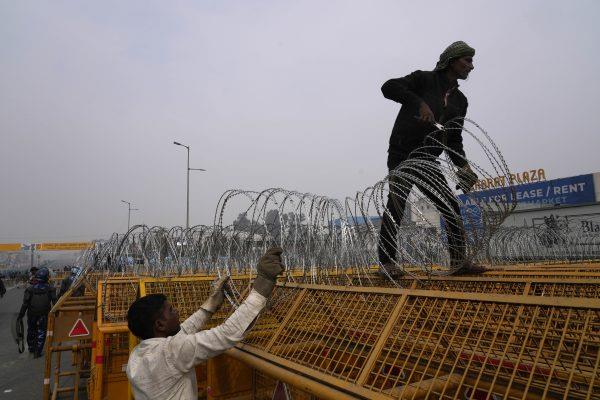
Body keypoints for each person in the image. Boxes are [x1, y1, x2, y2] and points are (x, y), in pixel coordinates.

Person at [378, 41, 484, 276]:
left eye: (472, 61)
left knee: (450, 205)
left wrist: (463, 167)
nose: (471, 66)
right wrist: (420, 102)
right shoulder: (423, 80)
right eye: (467, 60)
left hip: (428, 159)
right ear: (452, 60)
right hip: (403, 153)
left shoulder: (460, 101)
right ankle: (386, 263)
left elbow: (453, 139)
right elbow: (388, 87)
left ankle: (458, 262)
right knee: (397, 204)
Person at [126, 247, 285, 400]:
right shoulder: (170, 352)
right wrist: (263, 283)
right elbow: (225, 334)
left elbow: (185, 331)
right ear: (159, 325)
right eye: (171, 310)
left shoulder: (138, 356)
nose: (177, 312)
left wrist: (211, 305)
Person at [17, 267, 57, 357]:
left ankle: (31, 348)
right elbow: (55, 302)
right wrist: (57, 314)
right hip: (44, 313)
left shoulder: (30, 289)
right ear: (47, 277)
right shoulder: (51, 288)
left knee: (31, 330)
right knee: (42, 331)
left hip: (32, 314)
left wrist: (21, 315)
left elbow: (25, 304)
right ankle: (38, 351)